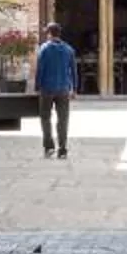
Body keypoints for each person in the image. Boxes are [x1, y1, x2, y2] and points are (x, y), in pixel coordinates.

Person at [32, 21, 78, 158]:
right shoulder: (69, 49)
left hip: (47, 89)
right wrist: (74, 88)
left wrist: (37, 86)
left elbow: (40, 69)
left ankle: (49, 147)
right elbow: (74, 71)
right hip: (63, 88)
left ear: (49, 34)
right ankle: (62, 149)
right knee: (63, 120)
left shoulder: (44, 49)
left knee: (45, 118)